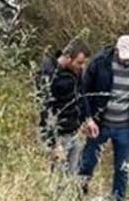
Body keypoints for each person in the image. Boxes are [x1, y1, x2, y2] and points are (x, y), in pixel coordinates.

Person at [78, 35, 129, 201]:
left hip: (126, 127)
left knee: (122, 169)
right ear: (116, 51)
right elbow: (84, 90)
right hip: (99, 124)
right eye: (124, 57)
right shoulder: (99, 63)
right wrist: (88, 118)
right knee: (88, 162)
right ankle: (79, 192)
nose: (127, 61)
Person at [38, 39, 91, 174]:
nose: (83, 66)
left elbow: (81, 95)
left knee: (72, 176)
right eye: (79, 62)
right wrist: (54, 143)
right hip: (58, 134)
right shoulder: (48, 73)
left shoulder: (77, 71)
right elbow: (44, 109)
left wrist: (88, 119)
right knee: (57, 178)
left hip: (75, 132)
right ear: (67, 57)